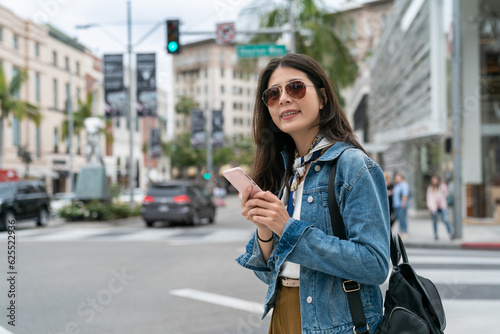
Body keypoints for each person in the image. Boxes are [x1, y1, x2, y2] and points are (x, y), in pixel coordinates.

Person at [236, 54, 390, 334]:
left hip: (338, 325)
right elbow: (269, 274)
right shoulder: (286, 171)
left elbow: (375, 264)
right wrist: (265, 230)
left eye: (295, 87)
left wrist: (287, 228)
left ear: (322, 98)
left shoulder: (352, 166)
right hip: (283, 315)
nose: (283, 99)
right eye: (273, 94)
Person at [426, 175, 454, 240]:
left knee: (445, 219)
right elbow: (429, 198)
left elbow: (446, 194)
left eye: (435, 180)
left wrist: (443, 187)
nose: (434, 181)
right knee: (434, 221)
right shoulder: (430, 188)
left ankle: (451, 233)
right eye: (433, 180)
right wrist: (430, 206)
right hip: (434, 207)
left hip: (442, 207)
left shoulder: (442, 186)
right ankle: (435, 234)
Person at [392, 173, 409, 238]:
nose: (396, 179)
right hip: (396, 205)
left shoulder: (404, 185)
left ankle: (405, 231)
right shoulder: (397, 185)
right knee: (399, 218)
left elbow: (405, 195)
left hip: (401, 205)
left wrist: (403, 203)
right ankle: (401, 231)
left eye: (398, 177)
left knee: (403, 218)